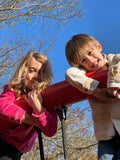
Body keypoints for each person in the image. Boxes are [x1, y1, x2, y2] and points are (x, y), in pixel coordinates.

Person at [65, 34, 120, 160]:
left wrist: (112, 86)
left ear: (98, 46)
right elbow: (70, 73)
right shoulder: (85, 74)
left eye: (90, 53)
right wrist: (96, 90)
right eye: (83, 61)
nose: (90, 61)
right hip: (105, 135)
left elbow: (119, 60)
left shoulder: (113, 61)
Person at [0, 50, 58, 160]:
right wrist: (32, 119)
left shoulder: (46, 100)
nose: (36, 76)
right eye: (32, 71)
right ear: (23, 72)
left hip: (15, 149)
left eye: (41, 73)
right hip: (2, 137)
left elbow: (51, 130)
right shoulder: (14, 90)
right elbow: (2, 107)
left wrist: (39, 109)